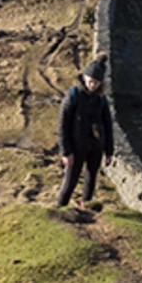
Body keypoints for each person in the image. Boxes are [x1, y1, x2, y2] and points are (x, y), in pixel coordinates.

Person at [57, 56, 114, 209]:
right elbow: (63, 125)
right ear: (84, 77)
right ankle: (59, 210)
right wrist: (66, 152)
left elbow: (108, 125)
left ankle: (86, 210)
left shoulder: (102, 99)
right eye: (90, 81)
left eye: (96, 83)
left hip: (95, 146)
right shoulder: (73, 96)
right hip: (76, 148)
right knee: (70, 183)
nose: (92, 85)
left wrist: (109, 151)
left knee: (91, 180)